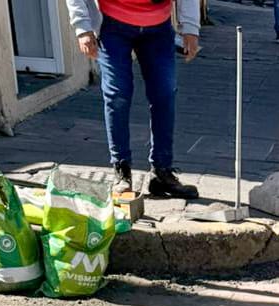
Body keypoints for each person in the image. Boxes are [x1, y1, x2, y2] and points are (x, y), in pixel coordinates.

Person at [67, 0, 201, 199]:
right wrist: (83, 28)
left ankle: (162, 172)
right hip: (112, 25)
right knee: (117, 96)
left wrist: (190, 28)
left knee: (164, 93)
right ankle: (121, 170)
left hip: (158, 28)